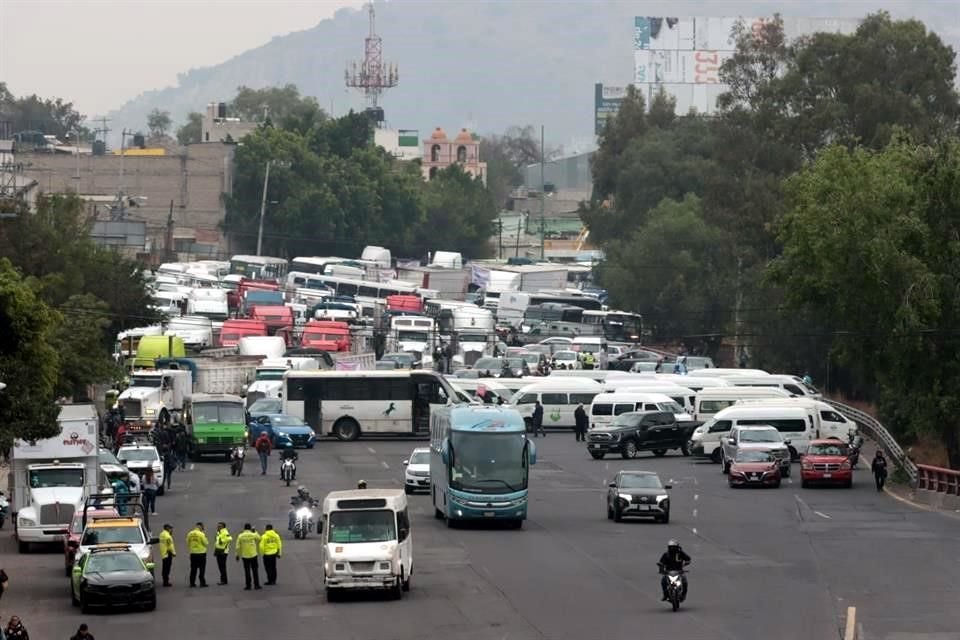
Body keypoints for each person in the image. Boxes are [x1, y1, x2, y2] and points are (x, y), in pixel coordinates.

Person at [235, 523, 262, 590]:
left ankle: (248, 586)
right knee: (255, 570)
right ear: (250, 528)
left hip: (245, 555)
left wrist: (237, 555)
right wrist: (255, 531)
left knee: (247, 571)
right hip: (253, 555)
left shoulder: (240, 536)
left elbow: (237, 546)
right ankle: (256, 585)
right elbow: (259, 538)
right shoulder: (253, 534)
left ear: (244, 528)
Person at [186, 522, 209, 588]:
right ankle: (202, 583)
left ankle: (192, 583)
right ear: (201, 526)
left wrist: (192, 546)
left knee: (193, 569)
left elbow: (187, 542)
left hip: (193, 553)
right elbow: (206, 543)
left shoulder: (190, 533)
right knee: (202, 569)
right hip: (201, 553)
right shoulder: (201, 534)